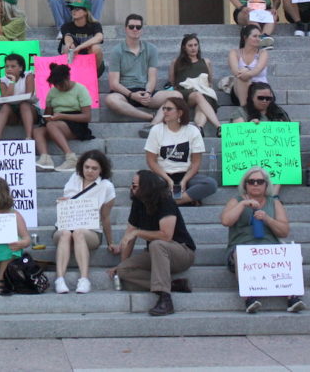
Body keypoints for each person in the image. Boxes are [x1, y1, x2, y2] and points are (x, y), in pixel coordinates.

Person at [108, 170, 197, 316]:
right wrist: (121, 263)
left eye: (135, 186)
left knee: (157, 244)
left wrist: (138, 232)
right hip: (157, 254)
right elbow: (129, 237)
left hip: (181, 252)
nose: (132, 188)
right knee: (123, 271)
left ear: (146, 187)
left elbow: (166, 236)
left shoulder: (165, 201)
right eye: (132, 185)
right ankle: (173, 285)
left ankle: (165, 299)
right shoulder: (138, 203)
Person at [220, 166, 303, 313]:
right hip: (242, 247)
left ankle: (292, 297)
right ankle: (249, 298)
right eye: (251, 181)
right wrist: (243, 204)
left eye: (260, 181)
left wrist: (267, 219)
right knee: (241, 254)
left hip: (269, 247)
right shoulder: (236, 201)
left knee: (290, 252)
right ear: (245, 185)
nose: (256, 184)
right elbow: (226, 221)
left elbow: (284, 231)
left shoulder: (274, 203)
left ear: (266, 185)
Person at [53, 149, 117, 295]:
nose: (90, 171)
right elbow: (67, 203)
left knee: (78, 233)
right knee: (66, 234)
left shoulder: (107, 186)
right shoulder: (74, 178)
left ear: (101, 170)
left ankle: (84, 279)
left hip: (91, 231)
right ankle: (60, 279)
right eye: (87, 167)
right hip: (65, 227)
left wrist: (110, 242)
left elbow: (106, 217)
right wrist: (64, 202)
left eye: (94, 168)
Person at [104, 13, 180, 137]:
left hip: (146, 91)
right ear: (125, 28)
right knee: (110, 100)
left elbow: (152, 77)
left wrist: (148, 93)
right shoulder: (117, 51)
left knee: (177, 95)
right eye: (131, 26)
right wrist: (132, 95)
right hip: (125, 92)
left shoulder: (151, 49)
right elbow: (114, 83)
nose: (135, 29)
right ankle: (151, 117)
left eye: (138, 27)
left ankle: (154, 125)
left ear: (142, 30)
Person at [143, 96, 218, 206]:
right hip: (163, 175)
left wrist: (184, 181)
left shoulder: (193, 131)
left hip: (187, 176)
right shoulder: (156, 130)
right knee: (144, 184)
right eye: (164, 108)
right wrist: (168, 180)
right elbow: (151, 161)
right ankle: (187, 199)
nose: (165, 112)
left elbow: (196, 162)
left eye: (169, 109)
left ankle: (172, 201)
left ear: (179, 113)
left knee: (211, 184)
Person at [33, 62, 93, 173]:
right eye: (56, 85)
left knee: (51, 125)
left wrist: (62, 116)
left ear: (68, 78)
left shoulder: (80, 89)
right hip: (57, 120)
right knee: (37, 131)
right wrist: (48, 114)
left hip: (75, 122)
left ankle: (70, 157)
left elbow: (87, 116)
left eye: (61, 84)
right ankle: (45, 158)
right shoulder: (52, 92)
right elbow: (48, 113)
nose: (59, 87)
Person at [169, 33, 221, 134]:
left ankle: (199, 128)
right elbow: (172, 81)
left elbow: (209, 81)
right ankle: (219, 126)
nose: (193, 48)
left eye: (195, 45)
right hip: (184, 93)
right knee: (198, 95)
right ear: (184, 48)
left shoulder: (206, 62)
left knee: (202, 100)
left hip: (202, 93)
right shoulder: (176, 62)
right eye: (190, 45)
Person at [0, 53, 38, 142]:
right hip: (12, 113)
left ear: (20, 68)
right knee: (5, 107)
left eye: (13, 66)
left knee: (24, 105)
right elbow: (5, 98)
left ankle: (29, 137)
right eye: (7, 66)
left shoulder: (28, 75)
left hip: (29, 109)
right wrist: (12, 82)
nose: (9, 69)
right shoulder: (2, 80)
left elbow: (29, 95)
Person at [57, 0, 103, 75]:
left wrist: (80, 47)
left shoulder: (95, 25)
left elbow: (99, 37)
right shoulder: (66, 26)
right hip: (75, 58)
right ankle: (69, 74)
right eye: (72, 8)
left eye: (77, 9)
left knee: (96, 48)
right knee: (68, 47)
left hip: (92, 63)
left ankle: (93, 75)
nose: (74, 11)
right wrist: (69, 45)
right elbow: (68, 38)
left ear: (85, 12)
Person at [227, 24, 270, 107]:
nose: (258, 39)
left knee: (243, 72)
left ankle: (247, 110)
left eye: (259, 36)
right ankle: (245, 109)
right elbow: (235, 71)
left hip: (259, 89)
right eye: (255, 36)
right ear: (245, 38)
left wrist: (247, 72)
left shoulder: (263, 53)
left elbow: (257, 70)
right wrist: (244, 72)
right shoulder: (234, 52)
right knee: (240, 78)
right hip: (240, 91)